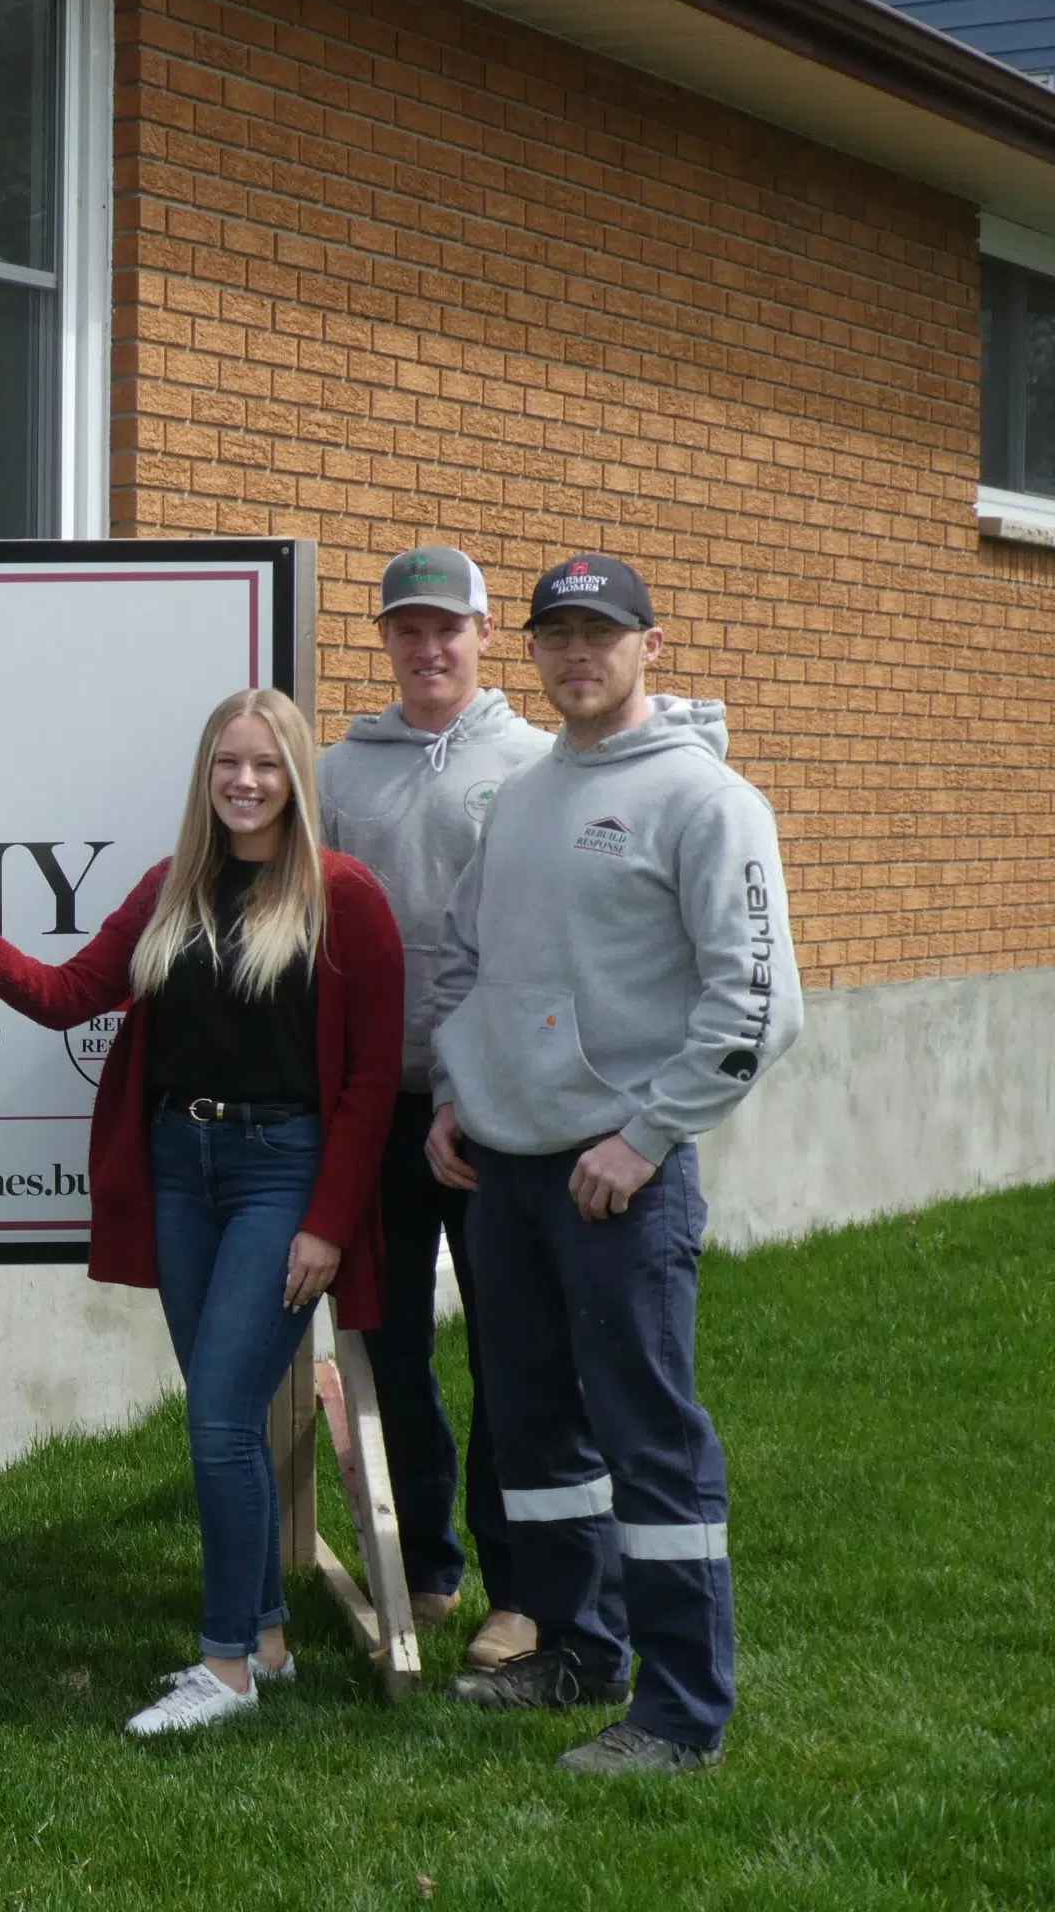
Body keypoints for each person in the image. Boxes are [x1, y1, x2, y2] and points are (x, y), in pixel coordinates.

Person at [0, 687, 402, 1736]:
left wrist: (326, 1220)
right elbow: (66, 995)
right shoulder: (168, 888)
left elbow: (369, 1081)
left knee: (219, 1420)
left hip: (284, 1171)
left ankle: (222, 1668)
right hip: (181, 1168)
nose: (243, 782)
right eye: (227, 763)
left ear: (295, 779)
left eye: (265, 765)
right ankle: (266, 1642)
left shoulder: (342, 895)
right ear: (205, 775)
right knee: (225, 1418)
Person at [427, 553, 801, 1774]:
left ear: (651, 644)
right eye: (555, 637)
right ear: (529, 651)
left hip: (616, 1181)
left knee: (647, 1438)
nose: (575, 656)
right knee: (534, 1435)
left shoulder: (708, 803)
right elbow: (476, 962)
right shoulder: (529, 792)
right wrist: (454, 1094)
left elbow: (756, 1007)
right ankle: (575, 1650)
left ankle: (680, 1709)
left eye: (600, 633)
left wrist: (642, 1139)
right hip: (505, 1169)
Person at [317, 545, 553, 1673]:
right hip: (372, 1110)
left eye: (445, 628)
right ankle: (422, 1563)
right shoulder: (335, 776)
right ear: (386, 641)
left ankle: (518, 1587)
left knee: (509, 1350)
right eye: (406, 630)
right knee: (385, 1348)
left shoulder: (538, 764)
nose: (426, 649)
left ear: (484, 633)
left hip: (493, 1116)